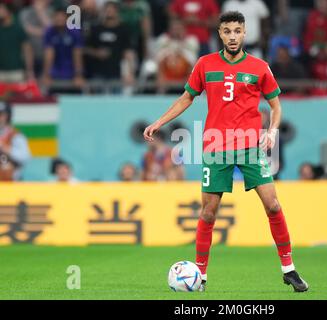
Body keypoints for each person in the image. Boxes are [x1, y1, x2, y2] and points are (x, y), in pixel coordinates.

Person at [143, 11, 308, 292]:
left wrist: (272, 132)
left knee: (273, 205)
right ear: (220, 34)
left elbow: (276, 106)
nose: (233, 36)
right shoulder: (205, 64)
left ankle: (288, 269)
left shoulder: (259, 67)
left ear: (245, 33)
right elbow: (186, 98)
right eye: (227, 31)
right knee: (209, 213)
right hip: (216, 146)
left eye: (237, 31)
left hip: (249, 146)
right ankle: (201, 276)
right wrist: (159, 121)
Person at [84, 1, 135, 93]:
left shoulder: (123, 30)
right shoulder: (95, 29)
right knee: (97, 103)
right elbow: (86, 49)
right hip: (97, 73)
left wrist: (130, 73)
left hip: (116, 73)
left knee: (116, 103)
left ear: (117, 12)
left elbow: (128, 53)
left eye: (112, 10)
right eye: (107, 10)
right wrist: (97, 53)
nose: (109, 12)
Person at [41, 8, 84, 92]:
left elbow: (77, 54)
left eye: (62, 17)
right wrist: (46, 75)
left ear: (67, 18)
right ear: (53, 18)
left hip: (71, 74)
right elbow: (48, 54)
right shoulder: (49, 32)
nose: (59, 19)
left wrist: (78, 75)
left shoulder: (75, 32)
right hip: (54, 75)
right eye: (57, 17)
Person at [0, 2, 34, 83]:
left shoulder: (18, 29)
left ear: (8, 11)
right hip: (0, 72)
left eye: (1, 9)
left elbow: (27, 50)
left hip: (17, 71)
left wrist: (29, 70)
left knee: (17, 96)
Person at [0, 102, 31, 181]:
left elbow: (25, 157)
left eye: (1, 115)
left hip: (12, 183)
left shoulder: (16, 136)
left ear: (7, 116)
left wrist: (5, 148)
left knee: (6, 167)